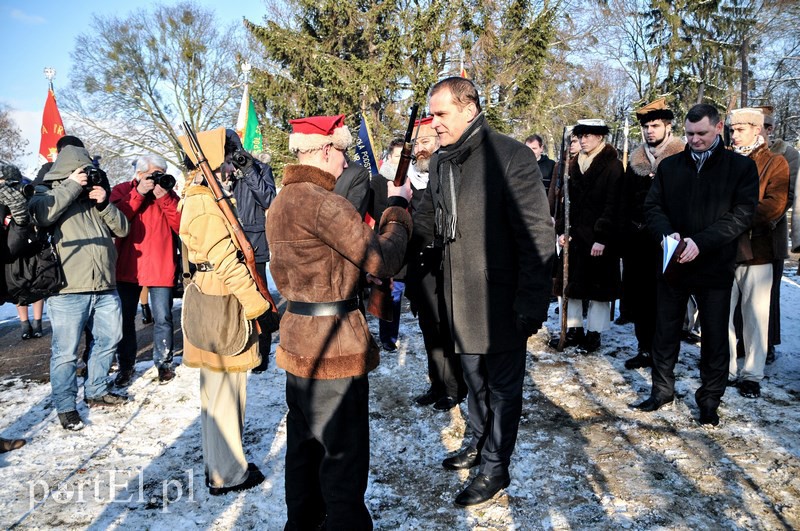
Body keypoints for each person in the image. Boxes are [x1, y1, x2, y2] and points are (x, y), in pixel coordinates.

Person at [413, 77, 554, 506]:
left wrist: (532, 303)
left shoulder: (510, 156)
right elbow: (430, 223)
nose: (433, 124)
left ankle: (495, 468)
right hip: (457, 298)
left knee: (503, 390)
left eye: (441, 114)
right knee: (475, 382)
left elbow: (538, 235)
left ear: (469, 109)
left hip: (501, 302)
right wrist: (395, 213)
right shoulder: (440, 163)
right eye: (432, 115)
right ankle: (477, 441)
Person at [267, 114, 412, 530]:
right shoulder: (323, 202)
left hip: (299, 339)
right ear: (328, 149)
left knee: (304, 452)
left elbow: (319, 262)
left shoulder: (282, 200)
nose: (345, 161)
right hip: (333, 344)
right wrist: (398, 209)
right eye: (343, 152)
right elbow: (383, 258)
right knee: (343, 457)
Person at [632, 103, 758, 427]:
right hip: (674, 261)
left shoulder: (740, 168)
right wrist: (665, 234)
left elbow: (742, 215)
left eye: (701, 133)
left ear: (718, 129)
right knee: (665, 330)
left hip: (714, 264)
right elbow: (653, 206)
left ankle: (709, 399)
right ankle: (662, 390)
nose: (695, 139)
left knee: (714, 336)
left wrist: (701, 242)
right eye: (689, 134)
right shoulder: (671, 166)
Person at [177, 127, 272, 495]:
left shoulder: (202, 196)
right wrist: (259, 308)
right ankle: (227, 474)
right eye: (229, 158)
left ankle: (222, 467)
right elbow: (228, 264)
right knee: (223, 394)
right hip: (220, 301)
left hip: (215, 296)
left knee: (221, 392)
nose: (233, 165)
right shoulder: (202, 202)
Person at [28, 146, 131, 431]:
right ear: (69, 170)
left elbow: (122, 229)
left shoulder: (94, 195)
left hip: (105, 285)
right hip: (67, 289)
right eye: (82, 170)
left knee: (110, 339)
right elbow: (42, 216)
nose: (88, 175)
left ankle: (96, 390)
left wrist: (104, 204)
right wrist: (72, 186)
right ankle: (65, 406)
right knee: (66, 352)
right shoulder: (45, 193)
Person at [404, 116, 467, 411]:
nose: (420, 149)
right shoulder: (409, 179)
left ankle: (454, 387)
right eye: (417, 144)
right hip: (420, 263)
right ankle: (437, 383)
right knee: (429, 326)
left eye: (426, 142)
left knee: (446, 328)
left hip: (444, 262)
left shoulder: (450, 170)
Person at [727, 108, 789, 398]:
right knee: (721, 315)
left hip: (759, 251)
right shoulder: (723, 161)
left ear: (757, 129)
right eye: (732, 129)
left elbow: (775, 204)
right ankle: (725, 368)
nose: (733, 134)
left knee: (755, 317)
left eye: (740, 129)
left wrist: (730, 217)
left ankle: (751, 373)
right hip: (723, 251)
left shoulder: (776, 163)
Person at [621, 99, 685, 369]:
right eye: (646, 126)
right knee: (640, 299)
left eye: (655, 125)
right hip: (638, 242)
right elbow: (624, 200)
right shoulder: (636, 160)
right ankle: (644, 348)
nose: (650, 131)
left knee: (666, 301)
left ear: (668, 127)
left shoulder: (681, 157)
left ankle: (664, 354)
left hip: (668, 241)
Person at [550, 119, 624, 353]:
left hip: (599, 238)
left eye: (588, 136)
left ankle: (594, 333)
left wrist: (602, 237)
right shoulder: (572, 165)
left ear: (600, 137)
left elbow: (614, 205)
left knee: (598, 289)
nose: (582, 140)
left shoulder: (613, 166)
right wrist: (562, 230)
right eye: (580, 136)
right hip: (575, 236)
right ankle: (573, 329)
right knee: (571, 284)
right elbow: (565, 203)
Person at [111, 155, 182, 386]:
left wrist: (166, 199)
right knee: (125, 319)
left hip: (161, 263)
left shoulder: (169, 195)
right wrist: (139, 193)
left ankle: (164, 364)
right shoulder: (122, 190)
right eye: (154, 173)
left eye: (162, 172)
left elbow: (182, 225)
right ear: (140, 174)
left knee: (163, 318)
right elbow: (116, 221)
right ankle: (126, 366)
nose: (157, 178)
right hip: (129, 265)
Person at [220, 130, 277, 373]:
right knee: (233, 299)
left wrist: (248, 170)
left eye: (233, 152)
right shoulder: (216, 171)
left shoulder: (259, 168)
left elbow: (268, 200)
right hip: (228, 241)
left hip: (254, 241)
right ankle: (237, 346)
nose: (232, 158)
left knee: (259, 297)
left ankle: (261, 353)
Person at [759, 107, 799, 364]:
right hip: (738, 236)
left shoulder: (788, 155)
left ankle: (768, 342)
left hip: (770, 233)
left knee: (768, 293)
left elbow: (790, 195)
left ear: (769, 129)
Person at [375, 138, 407, 352]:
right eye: (396, 156)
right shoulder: (377, 181)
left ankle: (391, 333)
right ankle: (386, 335)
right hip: (383, 242)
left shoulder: (409, 182)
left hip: (404, 244)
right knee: (386, 293)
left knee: (398, 292)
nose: (399, 162)